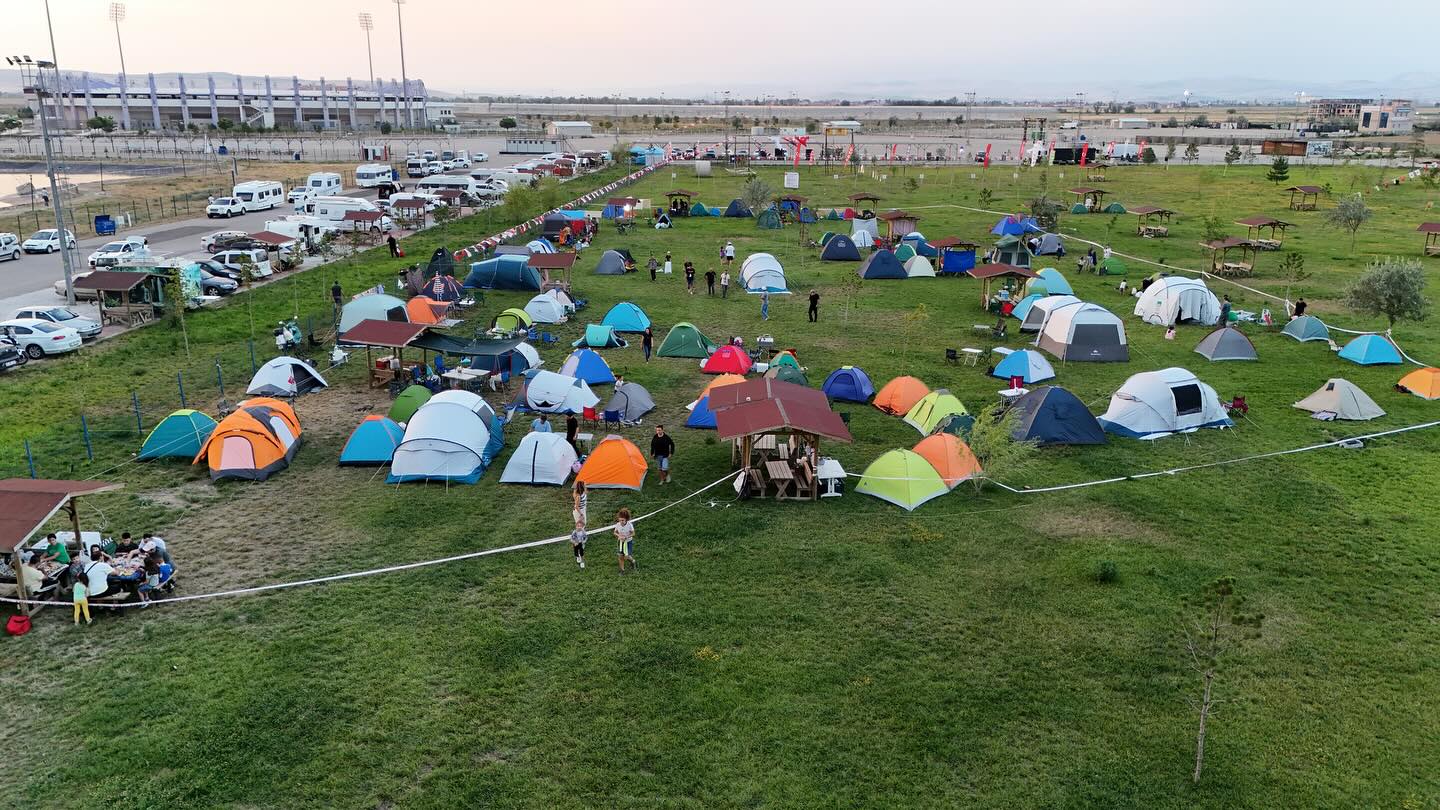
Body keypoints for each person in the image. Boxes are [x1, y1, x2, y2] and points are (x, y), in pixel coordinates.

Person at [614, 508, 635, 573]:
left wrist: (626, 537)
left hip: (628, 542)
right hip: (620, 542)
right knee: (620, 556)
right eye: (620, 520)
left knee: (626, 557)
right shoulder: (618, 524)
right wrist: (619, 536)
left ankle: (633, 561)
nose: (621, 522)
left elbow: (633, 533)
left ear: (626, 519)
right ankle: (622, 570)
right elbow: (615, 532)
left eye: (622, 520)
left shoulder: (629, 525)